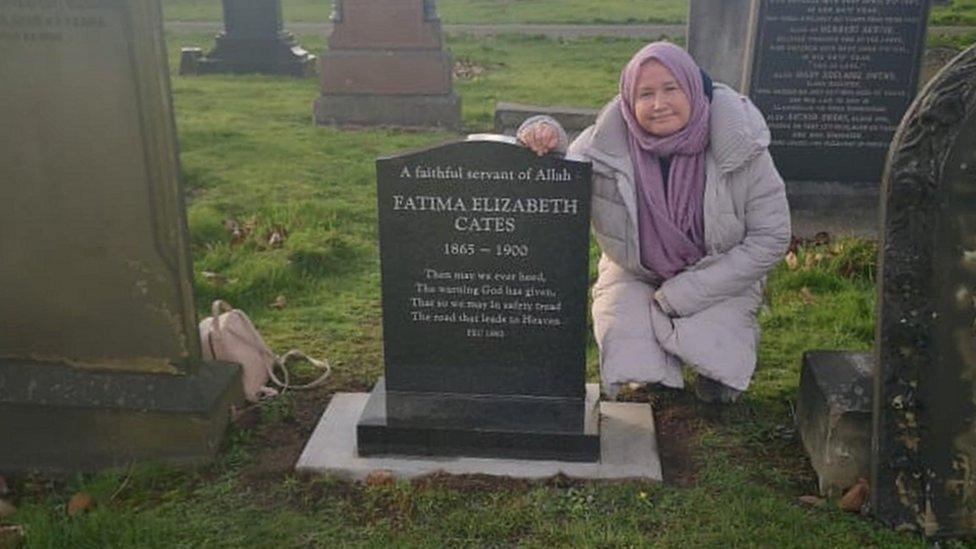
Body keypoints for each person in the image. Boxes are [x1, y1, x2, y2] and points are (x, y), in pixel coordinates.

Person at [518, 41, 790, 403]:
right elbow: (562, 165)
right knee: (625, 332)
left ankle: (710, 371)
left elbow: (771, 237)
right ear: (629, 101)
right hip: (636, 268)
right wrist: (542, 132)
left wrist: (684, 293)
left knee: (717, 359)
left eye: (670, 89)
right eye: (645, 94)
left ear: (693, 88)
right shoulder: (607, 142)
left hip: (717, 268)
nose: (658, 104)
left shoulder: (740, 145)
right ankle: (652, 375)